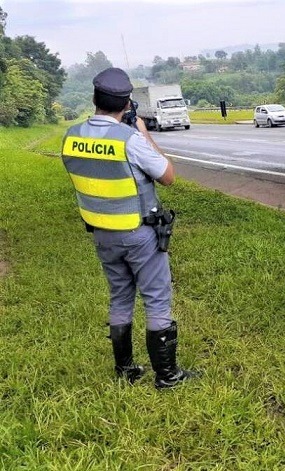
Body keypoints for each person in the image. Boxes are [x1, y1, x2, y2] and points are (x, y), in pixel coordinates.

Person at [60, 67, 198, 389]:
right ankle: (167, 375)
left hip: (102, 234)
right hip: (139, 233)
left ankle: (125, 369)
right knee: (156, 298)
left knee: (120, 296)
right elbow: (168, 175)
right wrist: (141, 132)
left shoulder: (72, 137)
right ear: (126, 104)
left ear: (94, 98)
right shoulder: (130, 140)